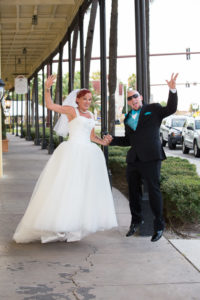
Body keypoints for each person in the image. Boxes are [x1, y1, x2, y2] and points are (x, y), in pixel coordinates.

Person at [13, 75, 117, 243]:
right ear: (77, 99)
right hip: (72, 153)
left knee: (82, 190)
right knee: (67, 188)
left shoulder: (90, 115)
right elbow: (50, 105)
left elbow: (91, 137)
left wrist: (103, 142)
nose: (87, 102)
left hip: (89, 155)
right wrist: (47, 88)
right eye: (85, 99)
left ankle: (74, 225)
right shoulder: (71, 111)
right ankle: (59, 225)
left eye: (90, 99)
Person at [110, 73, 178, 242]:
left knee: (154, 191)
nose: (133, 100)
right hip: (134, 159)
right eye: (129, 98)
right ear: (128, 102)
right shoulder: (127, 118)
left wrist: (172, 90)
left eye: (135, 96)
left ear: (140, 97)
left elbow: (171, 108)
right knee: (132, 192)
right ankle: (135, 221)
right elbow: (128, 140)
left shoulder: (153, 109)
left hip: (151, 157)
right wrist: (112, 141)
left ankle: (159, 225)